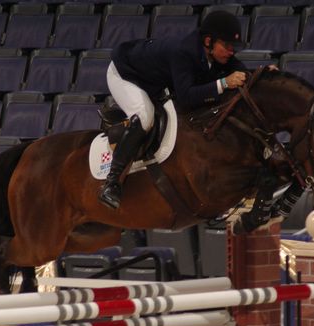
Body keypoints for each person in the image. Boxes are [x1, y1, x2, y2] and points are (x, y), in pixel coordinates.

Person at [98, 10, 248, 209]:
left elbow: (240, 71)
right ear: (208, 41)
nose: (231, 52)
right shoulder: (183, 52)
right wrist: (223, 83)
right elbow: (186, 97)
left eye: (233, 47)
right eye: (227, 46)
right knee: (145, 116)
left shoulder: (217, 54)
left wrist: (262, 74)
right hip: (125, 73)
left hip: (154, 80)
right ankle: (112, 183)